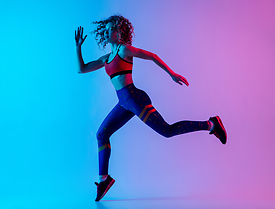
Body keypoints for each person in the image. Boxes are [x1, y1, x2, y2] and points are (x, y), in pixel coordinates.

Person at [75, 15, 227, 201]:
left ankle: (211, 124)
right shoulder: (106, 58)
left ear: (119, 32)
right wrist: (78, 48)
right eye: (105, 29)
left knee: (167, 131)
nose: (106, 32)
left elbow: (152, 56)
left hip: (136, 99)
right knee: (101, 134)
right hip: (124, 104)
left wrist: (172, 74)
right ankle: (104, 180)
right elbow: (81, 69)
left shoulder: (125, 50)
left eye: (110, 29)